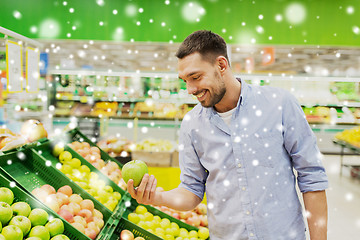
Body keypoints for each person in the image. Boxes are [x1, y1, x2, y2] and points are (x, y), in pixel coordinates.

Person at [127, 30, 328, 240]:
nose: (190, 89)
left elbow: (312, 177)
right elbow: (191, 190)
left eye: (195, 77)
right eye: (185, 80)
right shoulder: (192, 125)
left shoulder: (279, 105)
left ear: (221, 65)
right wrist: (157, 197)